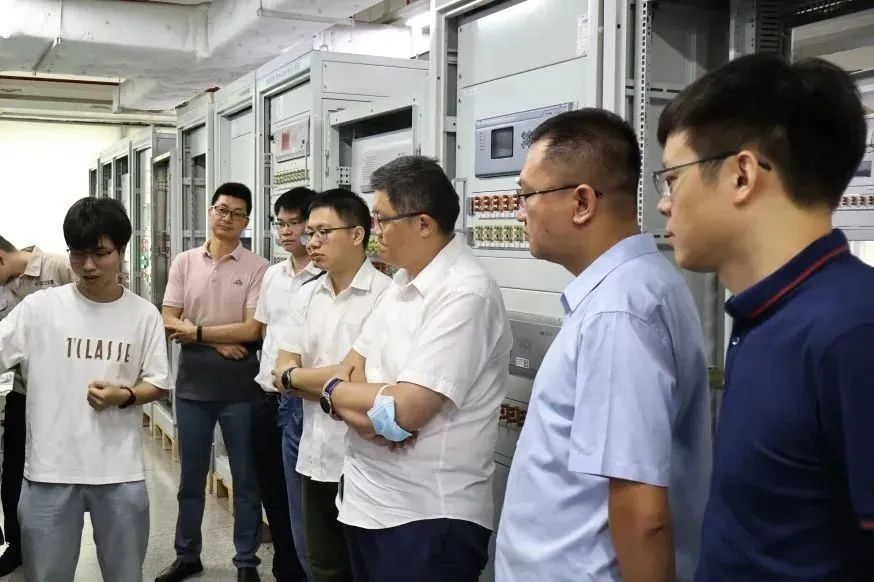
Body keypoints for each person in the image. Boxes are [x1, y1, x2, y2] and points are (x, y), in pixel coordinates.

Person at [656, 54, 872, 581]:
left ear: (741, 175)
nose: (664, 204)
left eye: (672, 179)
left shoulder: (852, 332)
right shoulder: (766, 315)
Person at [493, 108, 712, 582]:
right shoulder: (625, 293)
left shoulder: (620, 312)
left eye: (527, 195)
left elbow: (642, 513)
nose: (519, 211)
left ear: (582, 202)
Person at [320, 156, 512, 581]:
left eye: (381, 219)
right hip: (365, 502)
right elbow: (350, 368)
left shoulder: (466, 294)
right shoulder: (401, 284)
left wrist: (334, 395)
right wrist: (344, 396)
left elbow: (406, 410)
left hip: (427, 517)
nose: (373, 230)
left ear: (423, 223)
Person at [0, 198, 170, 582]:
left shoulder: (143, 315)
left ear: (121, 251)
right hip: (49, 471)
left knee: (125, 574)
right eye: (78, 254)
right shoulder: (40, 309)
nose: (88, 265)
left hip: (120, 471)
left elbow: (158, 382)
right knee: (47, 575)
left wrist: (124, 396)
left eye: (101, 253)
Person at [273, 189, 391, 582]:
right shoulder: (307, 295)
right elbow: (281, 371)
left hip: (365, 459)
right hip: (313, 451)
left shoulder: (386, 297)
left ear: (357, 234)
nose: (312, 242)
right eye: (310, 233)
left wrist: (300, 379)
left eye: (324, 232)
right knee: (322, 565)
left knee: (365, 566)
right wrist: (326, 379)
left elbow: (367, 380)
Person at [157, 183, 268, 582]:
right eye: (222, 210)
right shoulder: (185, 262)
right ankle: (187, 555)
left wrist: (196, 332)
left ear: (246, 221)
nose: (227, 218)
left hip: (240, 390)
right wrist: (217, 341)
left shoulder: (258, 267)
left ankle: (246, 562)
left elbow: (252, 329)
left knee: (246, 480)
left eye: (237, 213)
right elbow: (168, 318)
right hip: (192, 387)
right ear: (210, 211)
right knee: (190, 479)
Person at [252, 187, 321, 582]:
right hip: (266, 397)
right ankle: (284, 569)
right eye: (280, 224)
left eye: (295, 223)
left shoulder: (325, 278)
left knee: (303, 498)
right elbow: (266, 333)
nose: (286, 231)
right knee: (273, 492)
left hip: (302, 402)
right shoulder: (273, 275)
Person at [0, 236, 77, 575]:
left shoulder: (58, 267)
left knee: (61, 475)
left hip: (66, 395)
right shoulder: (4, 288)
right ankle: (16, 546)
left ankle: (57, 546)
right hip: (22, 392)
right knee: (13, 473)